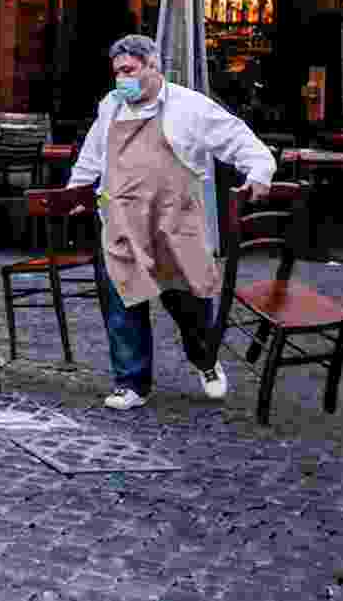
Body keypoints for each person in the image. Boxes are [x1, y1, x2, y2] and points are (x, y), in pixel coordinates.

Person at [67, 34, 276, 410]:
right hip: (122, 224)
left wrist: (259, 170)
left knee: (191, 302)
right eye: (116, 72)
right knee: (122, 302)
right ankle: (131, 382)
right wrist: (76, 192)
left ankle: (205, 361)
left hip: (175, 224)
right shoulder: (110, 107)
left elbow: (236, 137)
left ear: (153, 66)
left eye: (128, 70)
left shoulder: (189, 107)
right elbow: (92, 155)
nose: (121, 79)